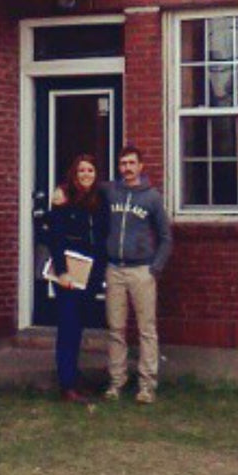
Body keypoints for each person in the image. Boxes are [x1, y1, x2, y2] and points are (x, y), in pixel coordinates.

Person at [101, 145, 172, 404]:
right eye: (123, 164)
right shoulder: (110, 192)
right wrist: (61, 191)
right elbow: (83, 188)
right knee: (116, 328)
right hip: (115, 269)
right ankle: (116, 381)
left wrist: (156, 267)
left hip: (142, 270)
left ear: (141, 166)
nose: (127, 168)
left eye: (132, 163)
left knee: (146, 329)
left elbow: (165, 237)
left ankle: (146, 385)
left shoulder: (152, 197)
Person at [45, 154, 108, 403]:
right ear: (74, 173)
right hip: (68, 275)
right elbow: (55, 239)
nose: (85, 175)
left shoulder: (100, 200)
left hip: (90, 275)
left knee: (78, 328)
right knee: (68, 329)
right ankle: (67, 386)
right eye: (81, 170)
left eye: (90, 170)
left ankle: (73, 378)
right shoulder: (64, 199)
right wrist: (62, 272)